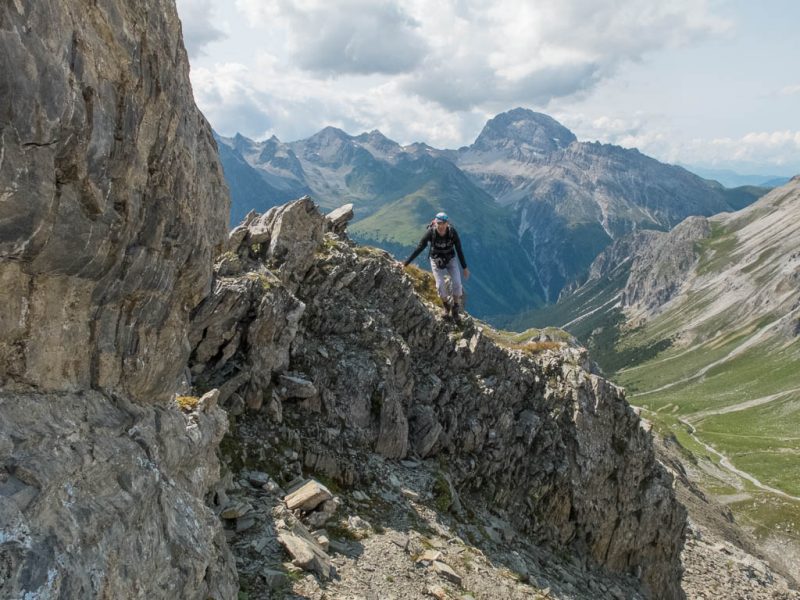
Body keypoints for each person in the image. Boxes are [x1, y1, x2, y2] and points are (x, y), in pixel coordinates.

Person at [399, 212, 470, 322]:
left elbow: (459, 249)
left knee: (457, 283)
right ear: (435, 223)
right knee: (440, 285)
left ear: (447, 223)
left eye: (443, 223)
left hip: (450, 259)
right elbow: (420, 247)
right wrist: (405, 263)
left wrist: (464, 267)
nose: (441, 226)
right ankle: (446, 307)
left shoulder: (452, 232)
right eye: (439, 223)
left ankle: (455, 308)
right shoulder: (431, 232)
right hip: (436, 260)